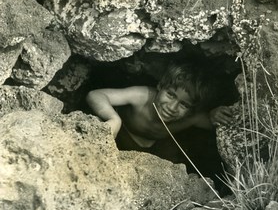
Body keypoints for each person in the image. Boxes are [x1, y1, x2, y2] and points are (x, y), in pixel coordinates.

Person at [86, 62, 232, 158]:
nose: (172, 107)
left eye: (184, 105)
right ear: (160, 86)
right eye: (170, 94)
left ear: (193, 109)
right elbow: (96, 95)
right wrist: (114, 119)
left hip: (155, 148)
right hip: (123, 135)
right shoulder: (142, 96)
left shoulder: (192, 117)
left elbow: (217, 124)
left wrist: (214, 114)